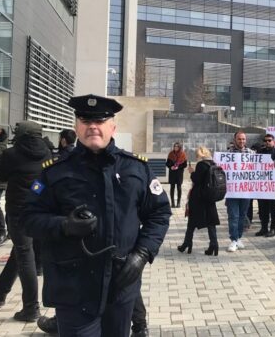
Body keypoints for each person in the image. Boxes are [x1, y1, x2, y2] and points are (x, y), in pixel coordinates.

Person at [22, 94, 171, 336]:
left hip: (120, 285)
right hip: (73, 288)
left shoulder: (135, 168)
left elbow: (159, 213)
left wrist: (142, 253)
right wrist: (64, 225)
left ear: (112, 126)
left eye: (100, 121)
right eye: (85, 120)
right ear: (76, 126)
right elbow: (28, 219)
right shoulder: (55, 171)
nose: (93, 126)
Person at [0, 121, 52, 321]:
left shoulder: (11, 154)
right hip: (40, 209)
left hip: (18, 210)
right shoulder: (47, 151)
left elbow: (0, 175)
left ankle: (31, 308)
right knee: (21, 250)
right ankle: (1, 289)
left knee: (25, 254)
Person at [178, 146, 220, 255]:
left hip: (199, 197)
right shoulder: (213, 163)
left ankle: (187, 243)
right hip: (210, 197)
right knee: (211, 222)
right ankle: (214, 245)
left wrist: (192, 172)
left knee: (191, 221)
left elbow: (196, 180)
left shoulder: (201, 164)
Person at [226, 131, 255, 252]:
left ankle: (238, 238)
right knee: (233, 216)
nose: (242, 141)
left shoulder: (252, 153)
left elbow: (259, 167)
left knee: (242, 216)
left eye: (243, 139)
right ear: (234, 140)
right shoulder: (227, 154)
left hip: (246, 191)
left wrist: (271, 166)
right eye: (239, 139)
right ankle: (233, 239)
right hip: (232, 191)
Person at [254, 134, 275, 237]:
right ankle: (264, 228)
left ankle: (273, 228)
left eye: (269, 140)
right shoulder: (260, 153)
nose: (267, 142)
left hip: (273, 185)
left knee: (273, 208)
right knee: (262, 207)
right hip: (262, 185)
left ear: (273, 141)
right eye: (265, 140)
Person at [165, 143, 188, 208]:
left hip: (179, 173)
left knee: (179, 187)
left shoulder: (183, 154)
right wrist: (171, 167)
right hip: (172, 173)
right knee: (172, 187)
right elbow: (167, 163)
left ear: (179, 147)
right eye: (174, 146)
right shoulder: (171, 154)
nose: (175, 147)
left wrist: (178, 167)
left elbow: (185, 165)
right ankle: (172, 203)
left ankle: (178, 203)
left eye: (177, 146)